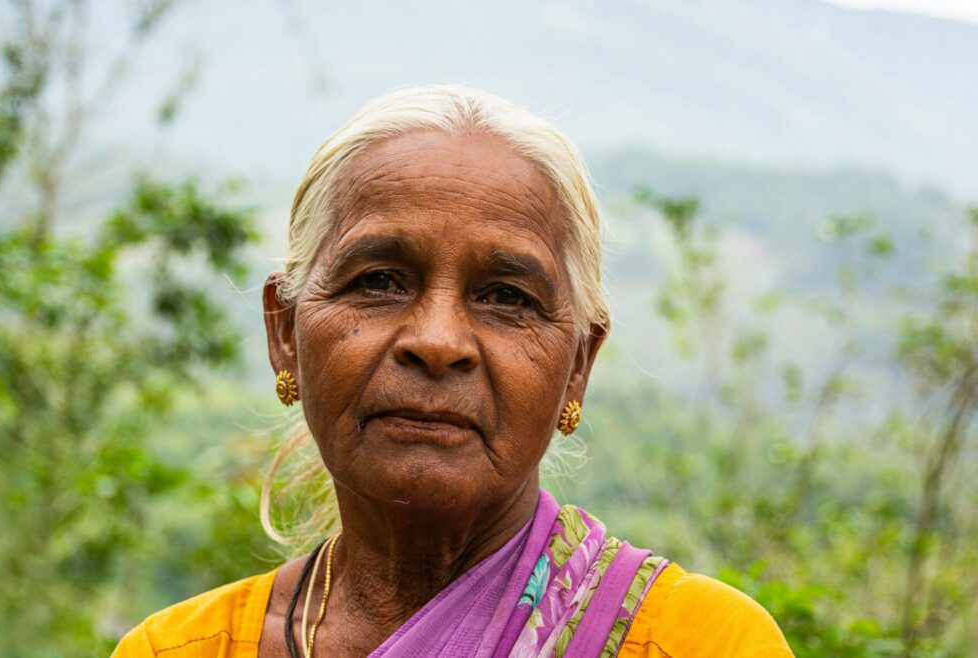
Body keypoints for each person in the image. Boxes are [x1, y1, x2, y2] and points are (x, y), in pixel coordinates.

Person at [111, 85, 793, 658]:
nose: (437, 343)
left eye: (506, 297)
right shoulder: (177, 647)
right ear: (284, 332)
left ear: (578, 365)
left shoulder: (699, 641)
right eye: (378, 280)